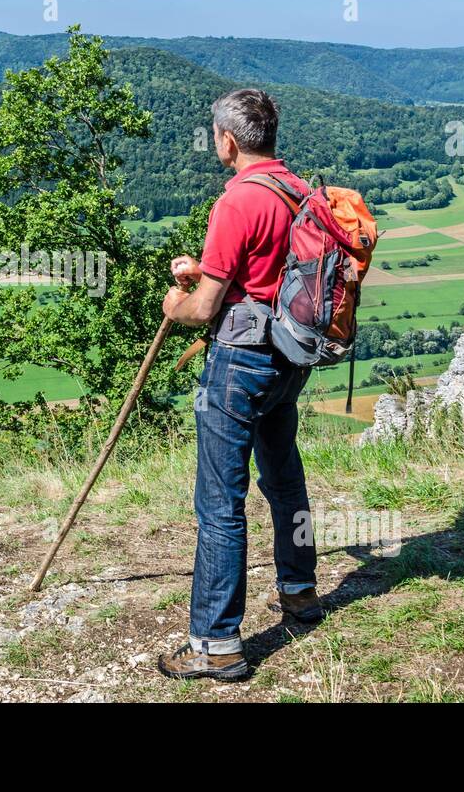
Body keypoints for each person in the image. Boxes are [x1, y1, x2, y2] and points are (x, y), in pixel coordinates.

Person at [157, 88, 322, 682]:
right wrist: (205, 273)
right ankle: (300, 592)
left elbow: (204, 310)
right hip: (289, 359)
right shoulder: (298, 190)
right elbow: (263, 275)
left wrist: (178, 302)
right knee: (283, 477)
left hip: (240, 364)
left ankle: (217, 645)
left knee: (220, 503)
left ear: (228, 139)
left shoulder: (236, 201)